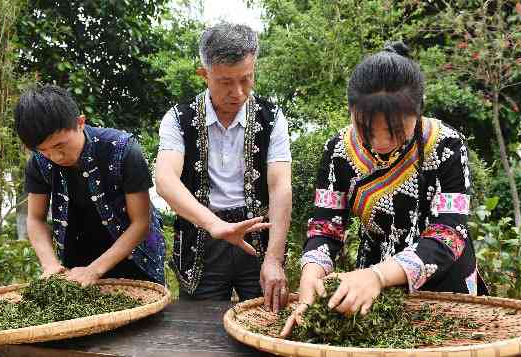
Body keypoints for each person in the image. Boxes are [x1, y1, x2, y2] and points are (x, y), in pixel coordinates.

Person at [282, 42, 487, 336]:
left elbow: (450, 232)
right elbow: (325, 227)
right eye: (365, 130)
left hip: (443, 284)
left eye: (395, 131)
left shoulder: (447, 145)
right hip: (368, 287)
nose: (380, 143)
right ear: (350, 110)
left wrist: (379, 275)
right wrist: (310, 279)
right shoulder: (338, 151)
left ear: (418, 111)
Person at [155, 22, 292, 311]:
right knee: (200, 327)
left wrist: (274, 258)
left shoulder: (273, 118)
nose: (238, 92)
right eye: (225, 82)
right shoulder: (178, 119)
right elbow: (165, 180)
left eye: (246, 79)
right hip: (201, 238)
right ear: (204, 74)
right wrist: (216, 226)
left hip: (259, 237)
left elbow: (280, 186)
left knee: (265, 319)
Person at [15, 84, 165, 286]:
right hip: (77, 263)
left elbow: (141, 222)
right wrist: (50, 265)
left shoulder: (124, 150)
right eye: (45, 150)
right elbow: (35, 218)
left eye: (61, 145)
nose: (56, 157)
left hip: (135, 258)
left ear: (80, 123)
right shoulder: (38, 162)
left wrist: (95, 270)